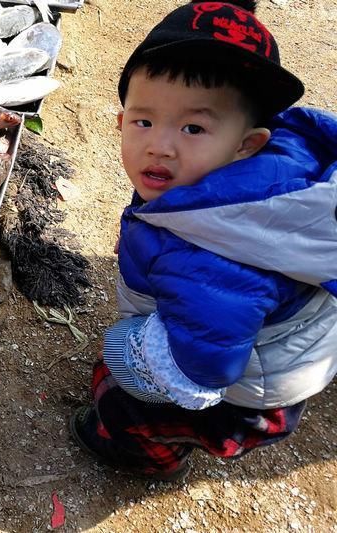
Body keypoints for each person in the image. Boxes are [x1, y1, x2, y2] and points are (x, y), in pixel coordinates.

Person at [68, 0, 337, 480]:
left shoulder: (210, 260)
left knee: (128, 403)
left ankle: (141, 456)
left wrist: (139, 357)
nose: (160, 145)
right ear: (121, 120)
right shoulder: (215, 178)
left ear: (248, 144)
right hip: (282, 336)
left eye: (193, 127)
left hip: (247, 387)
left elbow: (204, 368)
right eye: (143, 120)